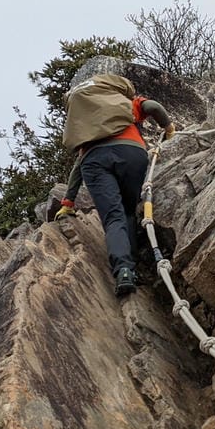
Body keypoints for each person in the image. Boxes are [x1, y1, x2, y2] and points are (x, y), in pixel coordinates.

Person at [54, 74, 175, 296]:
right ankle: (134, 264)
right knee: (128, 211)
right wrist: (168, 128)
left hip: (94, 160)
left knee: (113, 217)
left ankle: (125, 271)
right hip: (132, 153)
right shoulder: (123, 102)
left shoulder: (86, 121)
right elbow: (154, 106)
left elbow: (79, 165)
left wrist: (68, 202)